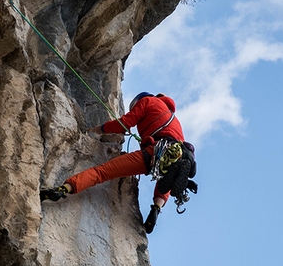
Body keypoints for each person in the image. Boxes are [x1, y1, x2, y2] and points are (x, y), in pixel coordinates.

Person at [40, 92, 193, 233]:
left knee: (102, 172)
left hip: (153, 153)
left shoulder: (148, 101)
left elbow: (125, 123)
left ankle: (64, 188)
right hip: (175, 154)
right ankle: (157, 208)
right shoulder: (174, 119)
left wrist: (101, 129)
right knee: (170, 171)